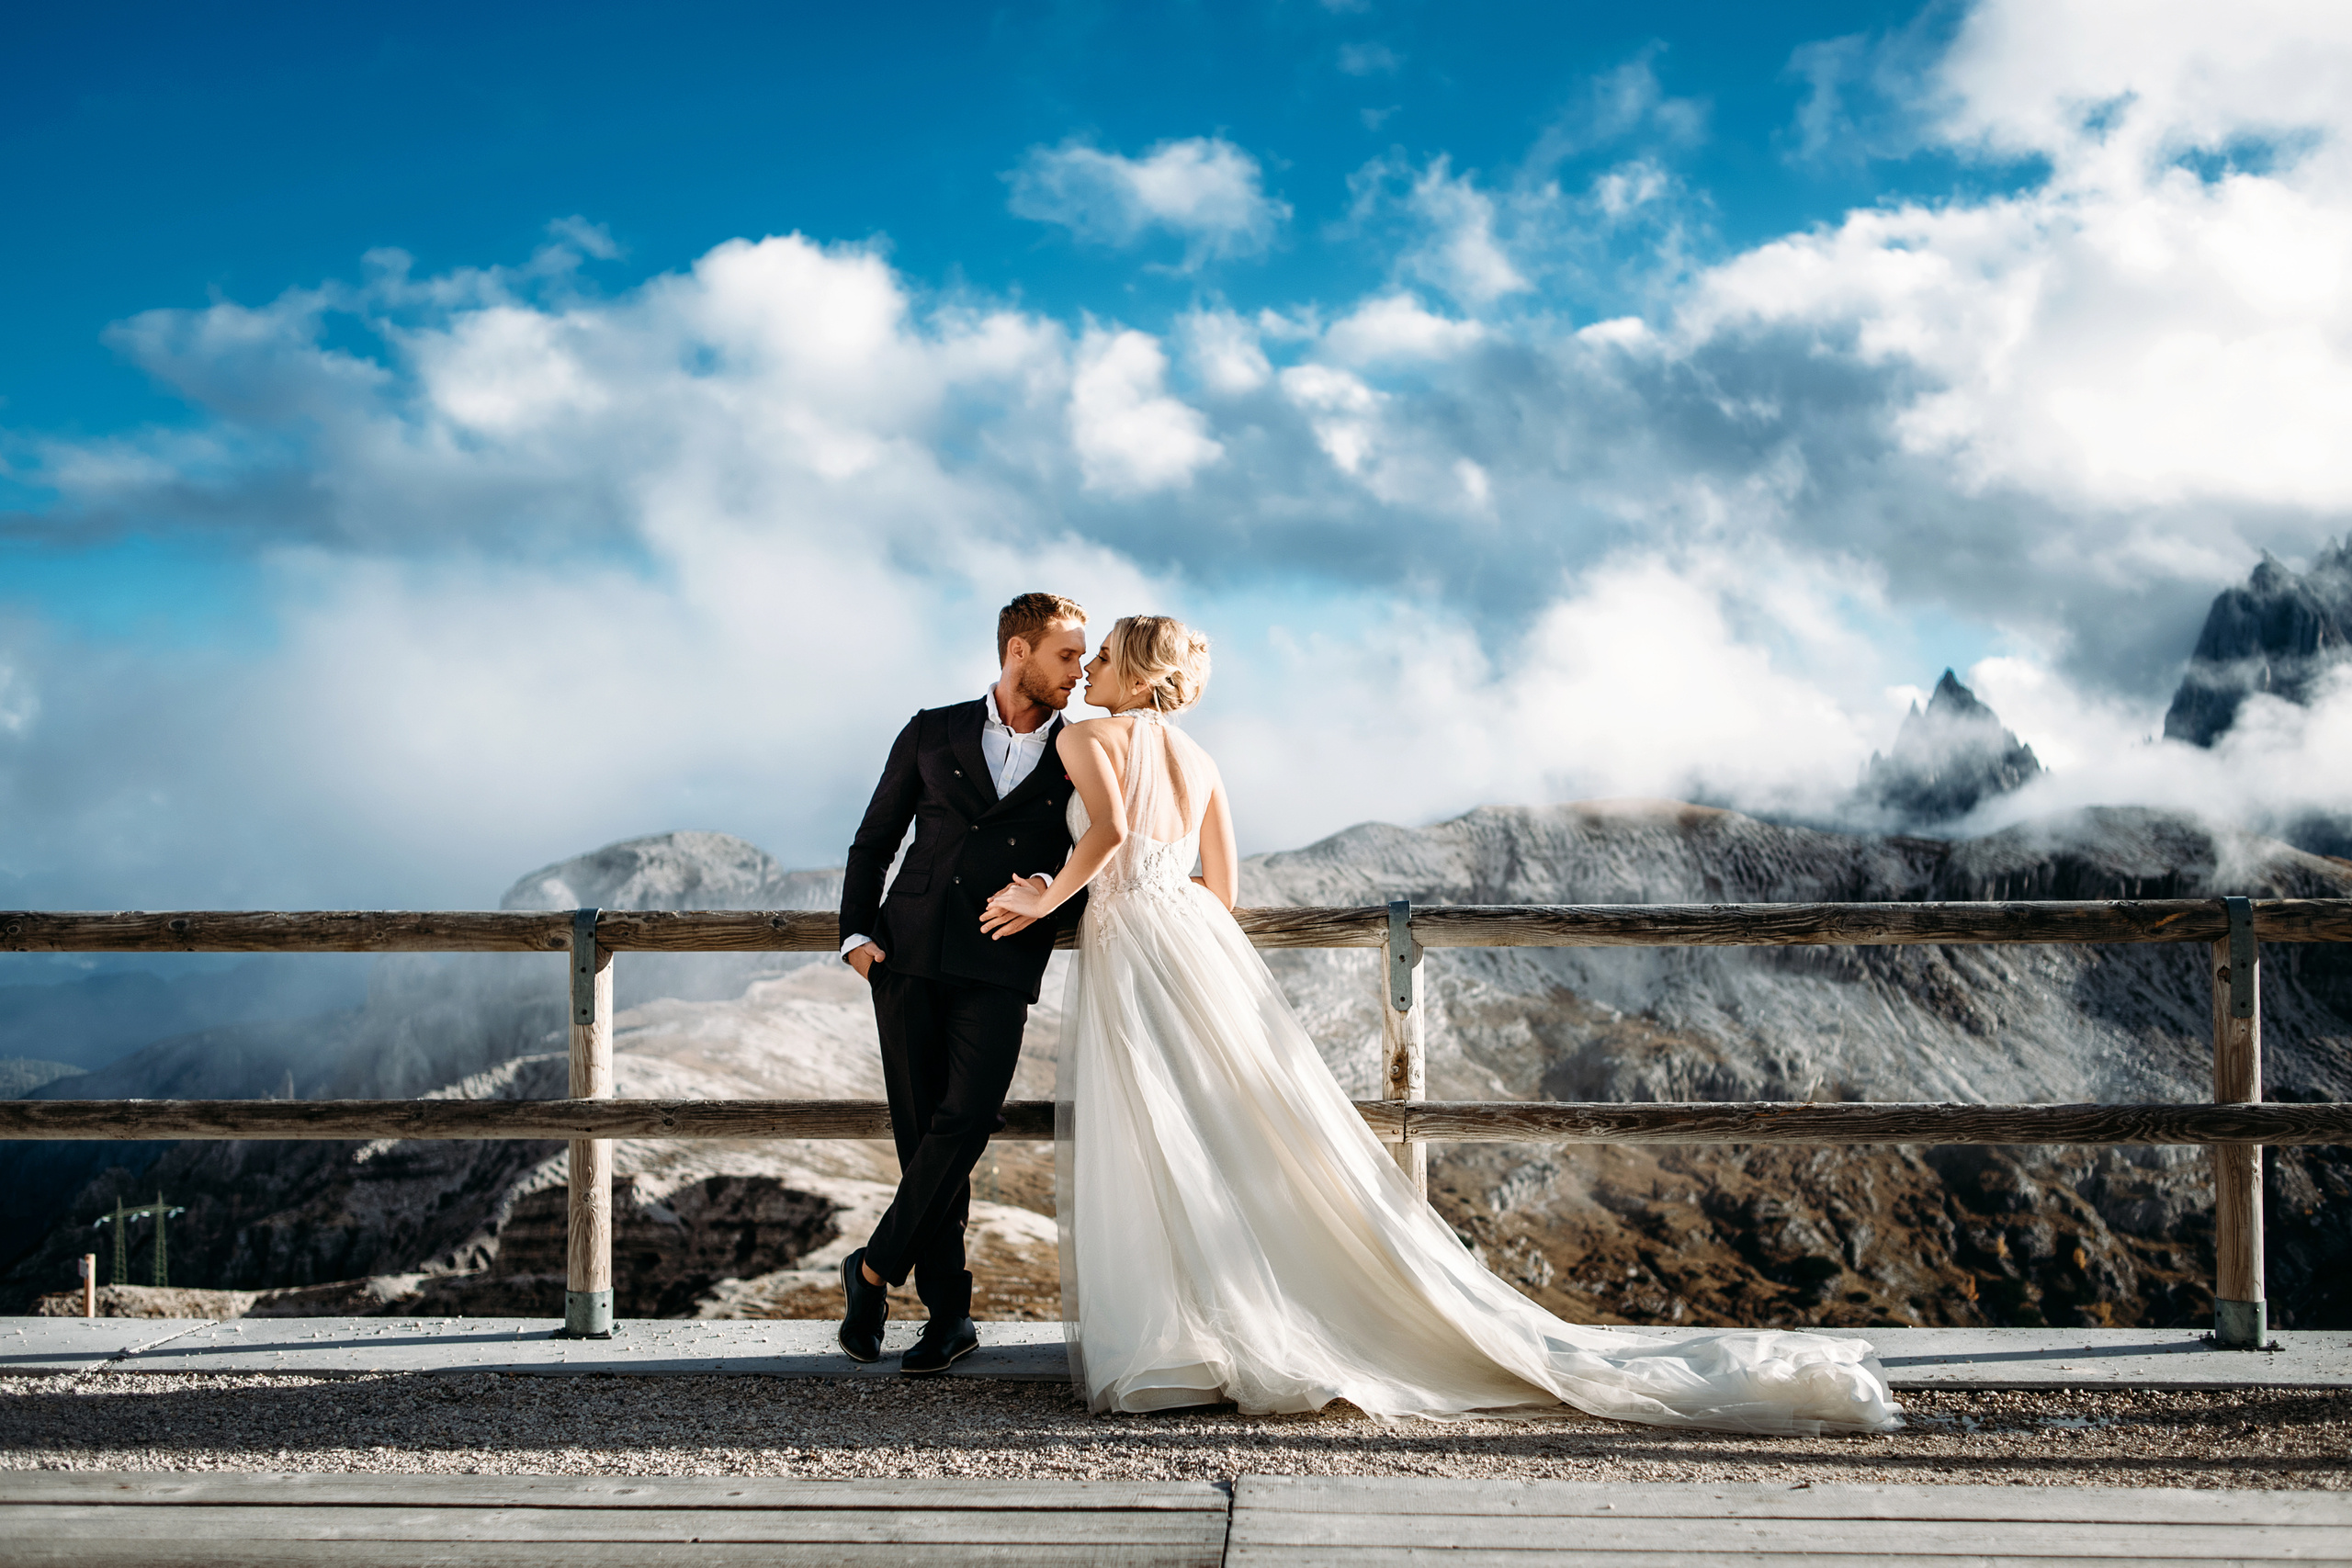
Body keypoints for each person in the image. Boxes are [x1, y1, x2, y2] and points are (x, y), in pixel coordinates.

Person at [980, 615, 1901, 1433]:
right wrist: (1162, 904)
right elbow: (1222, 888)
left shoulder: (1089, 735)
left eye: (1100, 656)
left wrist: (1044, 894)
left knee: (1153, 1128)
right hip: (1196, 936)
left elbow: (1105, 833)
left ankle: (1176, 1346)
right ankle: (1221, 1327)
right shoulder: (1204, 762)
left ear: (1135, 676)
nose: (1087, 670)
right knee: (1235, 1128)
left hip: (1134, 935)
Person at [835, 592, 1090, 1374]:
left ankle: (871, 1268)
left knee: (965, 1122)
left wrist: (1046, 882)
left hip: (1000, 964)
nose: (1078, 673)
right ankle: (950, 1316)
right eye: (1066, 655)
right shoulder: (930, 728)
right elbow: (875, 838)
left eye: (1083, 658)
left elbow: (1096, 855)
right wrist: (855, 936)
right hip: (906, 956)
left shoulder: (1083, 750)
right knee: (922, 1135)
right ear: (1018, 650)